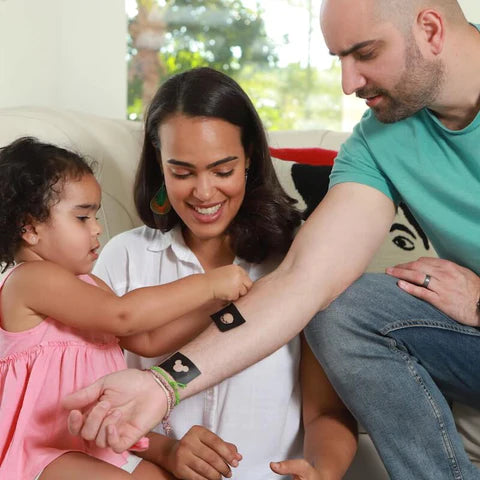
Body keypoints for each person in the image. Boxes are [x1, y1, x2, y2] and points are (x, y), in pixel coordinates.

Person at [64, 1, 480, 478]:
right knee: (344, 307)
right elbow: (304, 282)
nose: (348, 83)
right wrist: (163, 385)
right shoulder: (376, 143)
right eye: (339, 59)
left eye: (365, 53)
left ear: (430, 29)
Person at [91, 67, 357, 479]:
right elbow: (92, 404)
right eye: (181, 172)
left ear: (250, 158)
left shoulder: (294, 264)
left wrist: (323, 471)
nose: (203, 192)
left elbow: (326, 413)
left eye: (222, 170)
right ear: (158, 165)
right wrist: (168, 452)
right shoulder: (123, 258)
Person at [0, 136, 253, 480]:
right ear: (29, 228)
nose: (97, 228)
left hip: (97, 443)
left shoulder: (88, 287)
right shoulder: (29, 280)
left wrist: (218, 306)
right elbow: (125, 316)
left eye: (96, 215)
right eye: (82, 217)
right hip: (40, 452)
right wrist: (207, 284)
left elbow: (146, 339)